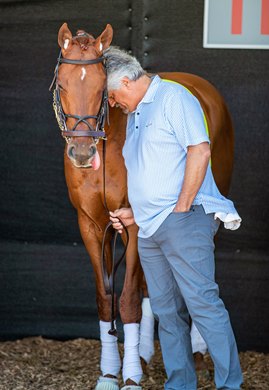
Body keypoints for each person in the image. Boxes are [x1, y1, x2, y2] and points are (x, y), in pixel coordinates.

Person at [104, 47, 243, 390]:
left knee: (203, 305)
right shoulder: (136, 113)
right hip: (149, 228)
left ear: (125, 80)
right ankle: (180, 383)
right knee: (167, 313)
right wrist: (135, 212)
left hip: (185, 219)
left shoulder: (173, 97)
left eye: (112, 95)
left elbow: (200, 149)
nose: (112, 103)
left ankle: (231, 385)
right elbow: (159, 170)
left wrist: (181, 207)